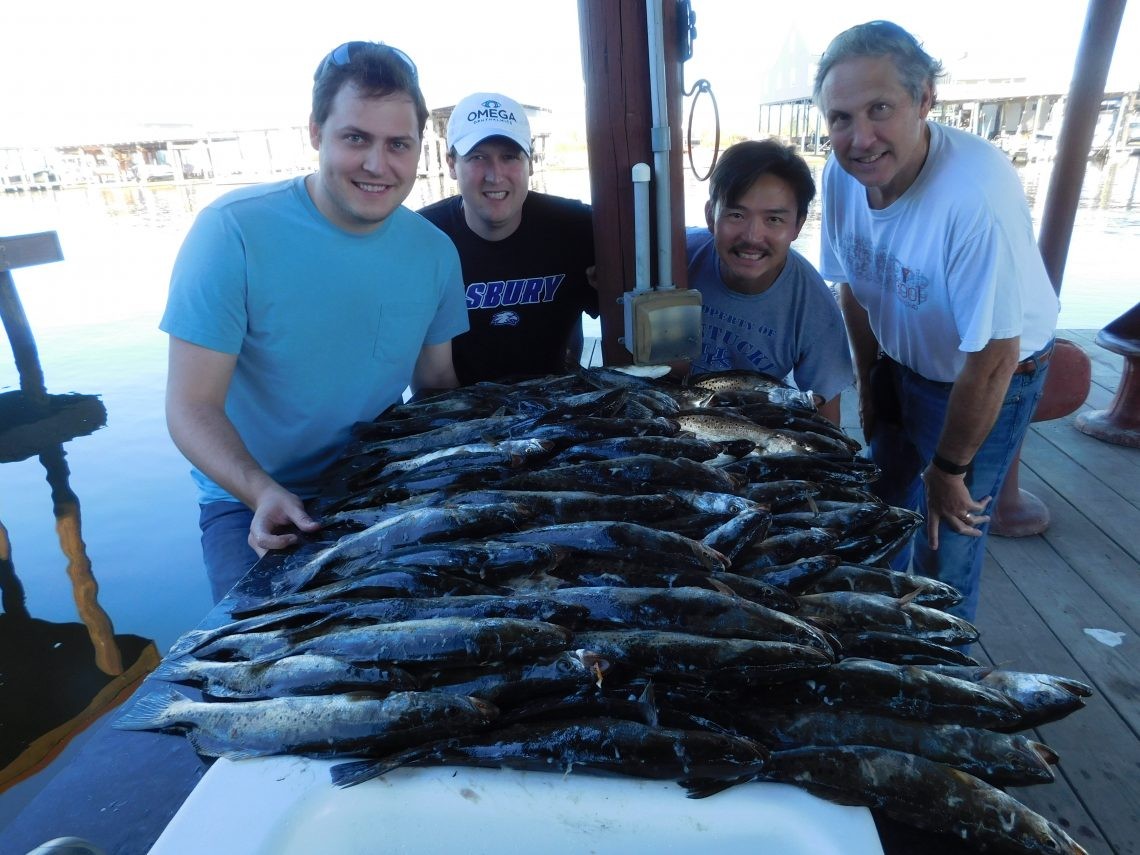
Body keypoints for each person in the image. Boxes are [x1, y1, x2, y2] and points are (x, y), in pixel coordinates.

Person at [160, 41, 468, 603]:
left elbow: (436, 387)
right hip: (247, 498)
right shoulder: (231, 231)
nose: (378, 165)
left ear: (420, 147)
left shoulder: (436, 252)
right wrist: (260, 491)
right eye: (356, 138)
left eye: (398, 144)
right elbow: (189, 406)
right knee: (254, 669)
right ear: (314, 132)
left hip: (380, 477)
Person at [813, 20, 1059, 620]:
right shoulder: (841, 178)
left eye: (880, 109)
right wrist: (872, 387)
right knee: (884, 503)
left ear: (925, 99)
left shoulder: (974, 195)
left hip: (990, 376)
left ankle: (945, 679)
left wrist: (949, 469)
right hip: (901, 361)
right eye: (841, 118)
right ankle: (888, 634)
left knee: (944, 541)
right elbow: (854, 290)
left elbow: (996, 355)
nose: (860, 138)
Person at [418, 92, 598, 385]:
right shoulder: (423, 236)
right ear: (451, 164)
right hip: (459, 406)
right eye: (478, 157)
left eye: (509, 156)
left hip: (559, 401)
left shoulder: (578, 226)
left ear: (530, 160)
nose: (495, 175)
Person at [686, 139, 854, 424]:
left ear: (798, 226)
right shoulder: (678, 257)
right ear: (710, 216)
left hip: (754, 430)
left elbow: (827, 419)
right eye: (736, 214)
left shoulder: (815, 308)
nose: (752, 237)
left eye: (774, 219)